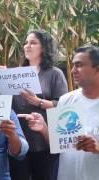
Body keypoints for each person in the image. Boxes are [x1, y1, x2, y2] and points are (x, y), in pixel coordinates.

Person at [0, 29, 68, 180]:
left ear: (44, 48)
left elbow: (64, 107)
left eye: (33, 42)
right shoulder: (15, 72)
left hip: (44, 141)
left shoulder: (54, 73)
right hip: (18, 139)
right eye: (26, 42)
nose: (27, 46)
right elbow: (4, 103)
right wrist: (2, 79)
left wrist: (38, 102)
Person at [21, 45, 99, 180]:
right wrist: (43, 128)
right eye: (73, 65)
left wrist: (97, 148)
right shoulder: (66, 100)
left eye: (79, 65)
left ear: (97, 69)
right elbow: (58, 145)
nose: (73, 70)